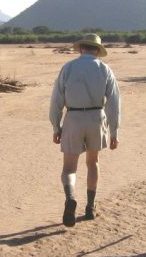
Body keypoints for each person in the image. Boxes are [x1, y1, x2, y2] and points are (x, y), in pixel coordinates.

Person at [50, 33, 121, 227]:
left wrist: (56, 126)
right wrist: (114, 132)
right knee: (93, 162)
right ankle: (90, 207)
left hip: (73, 118)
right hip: (96, 118)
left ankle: (71, 195)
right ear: (97, 50)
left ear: (82, 49)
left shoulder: (69, 67)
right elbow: (114, 103)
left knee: (69, 167)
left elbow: (56, 100)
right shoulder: (105, 69)